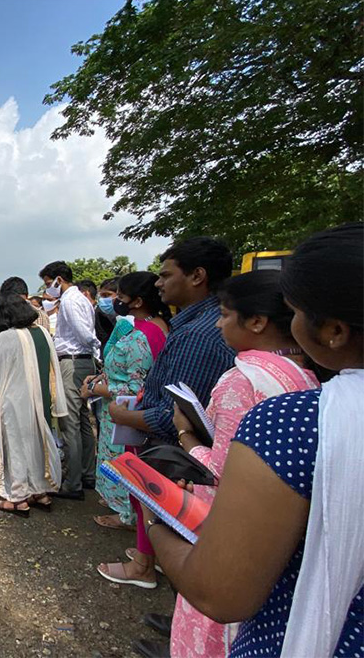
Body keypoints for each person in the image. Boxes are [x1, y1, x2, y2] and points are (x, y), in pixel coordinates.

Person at [141, 223, 363, 658]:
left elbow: (219, 591)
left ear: (333, 330)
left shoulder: (288, 418)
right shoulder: (301, 379)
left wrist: (156, 516)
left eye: (297, 311)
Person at [160, 270, 320, 658]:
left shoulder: (242, 379)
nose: (218, 323)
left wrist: (187, 435)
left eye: (225, 314)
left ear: (257, 321)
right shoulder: (304, 376)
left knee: (213, 624)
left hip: (225, 527)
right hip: (280, 534)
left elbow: (221, 470)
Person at [100, 237, 236, 591]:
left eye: (165, 274)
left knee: (168, 518)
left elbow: (174, 412)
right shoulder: (189, 325)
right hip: (167, 439)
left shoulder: (197, 335)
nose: (159, 282)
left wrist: (123, 414)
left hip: (171, 449)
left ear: (197, 276)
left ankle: (153, 573)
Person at [80, 272, 171, 532]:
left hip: (126, 413)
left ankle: (127, 515)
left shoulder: (143, 336)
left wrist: (96, 388)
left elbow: (136, 385)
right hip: (121, 409)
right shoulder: (150, 327)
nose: (114, 301)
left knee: (125, 461)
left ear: (138, 301)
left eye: (119, 296)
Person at [0, 293, 67, 516]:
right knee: (37, 443)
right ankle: (41, 492)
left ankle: (17, 497)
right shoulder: (42, 333)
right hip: (41, 399)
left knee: (16, 448)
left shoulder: (8, 337)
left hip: (15, 402)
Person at [40, 262, 100, 500]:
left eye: (48, 283)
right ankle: (86, 472)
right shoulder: (81, 299)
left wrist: (95, 349)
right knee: (83, 420)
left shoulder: (70, 300)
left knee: (70, 422)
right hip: (81, 360)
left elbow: (84, 333)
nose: (48, 289)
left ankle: (73, 482)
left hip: (73, 361)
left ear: (57, 280)